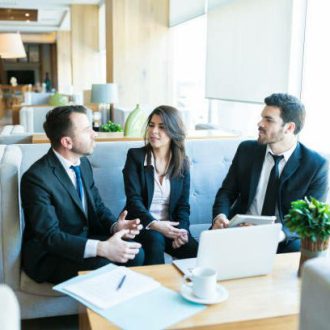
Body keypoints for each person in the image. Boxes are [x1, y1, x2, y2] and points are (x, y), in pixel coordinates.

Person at [21, 105, 144, 284]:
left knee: (136, 253)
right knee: (102, 265)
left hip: (82, 239)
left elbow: (98, 208)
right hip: (51, 254)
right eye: (88, 130)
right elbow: (50, 237)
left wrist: (116, 227)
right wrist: (102, 248)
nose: (95, 134)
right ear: (67, 142)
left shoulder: (83, 164)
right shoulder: (36, 178)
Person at [212, 93, 328, 253]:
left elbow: (312, 218)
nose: (260, 123)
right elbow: (226, 192)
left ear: (289, 127)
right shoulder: (247, 150)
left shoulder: (316, 165)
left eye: (269, 119)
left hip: (282, 238)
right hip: (239, 230)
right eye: (262, 118)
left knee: (296, 255)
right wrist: (220, 216)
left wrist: (276, 235)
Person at [123, 105, 198, 265]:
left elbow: (183, 205)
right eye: (151, 125)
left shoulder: (183, 163)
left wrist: (182, 231)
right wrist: (156, 225)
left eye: (162, 127)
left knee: (196, 251)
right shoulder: (135, 156)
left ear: (173, 131)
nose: (154, 131)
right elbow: (133, 201)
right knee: (155, 239)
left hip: (170, 226)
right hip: (142, 225)